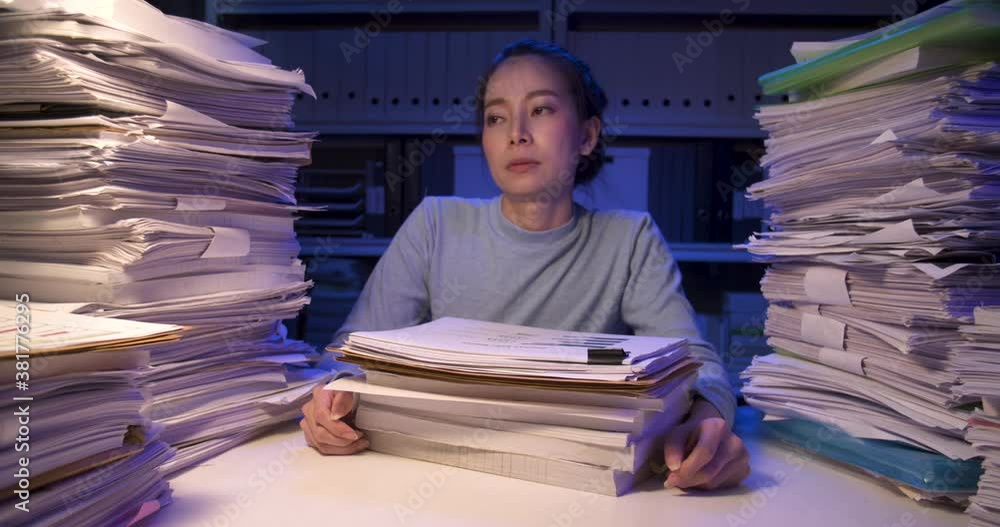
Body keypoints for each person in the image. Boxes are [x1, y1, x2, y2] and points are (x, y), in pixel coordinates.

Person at [300, 39, 750, 491]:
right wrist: (330, 400)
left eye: (541, 110)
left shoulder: (629, 238)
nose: (516, 132)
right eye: (496, 117)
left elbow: (695, 365)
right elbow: (350, 352)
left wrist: (710, 421)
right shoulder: (436, 224)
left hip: (572, 486)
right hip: (437, 477)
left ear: (588, 136)